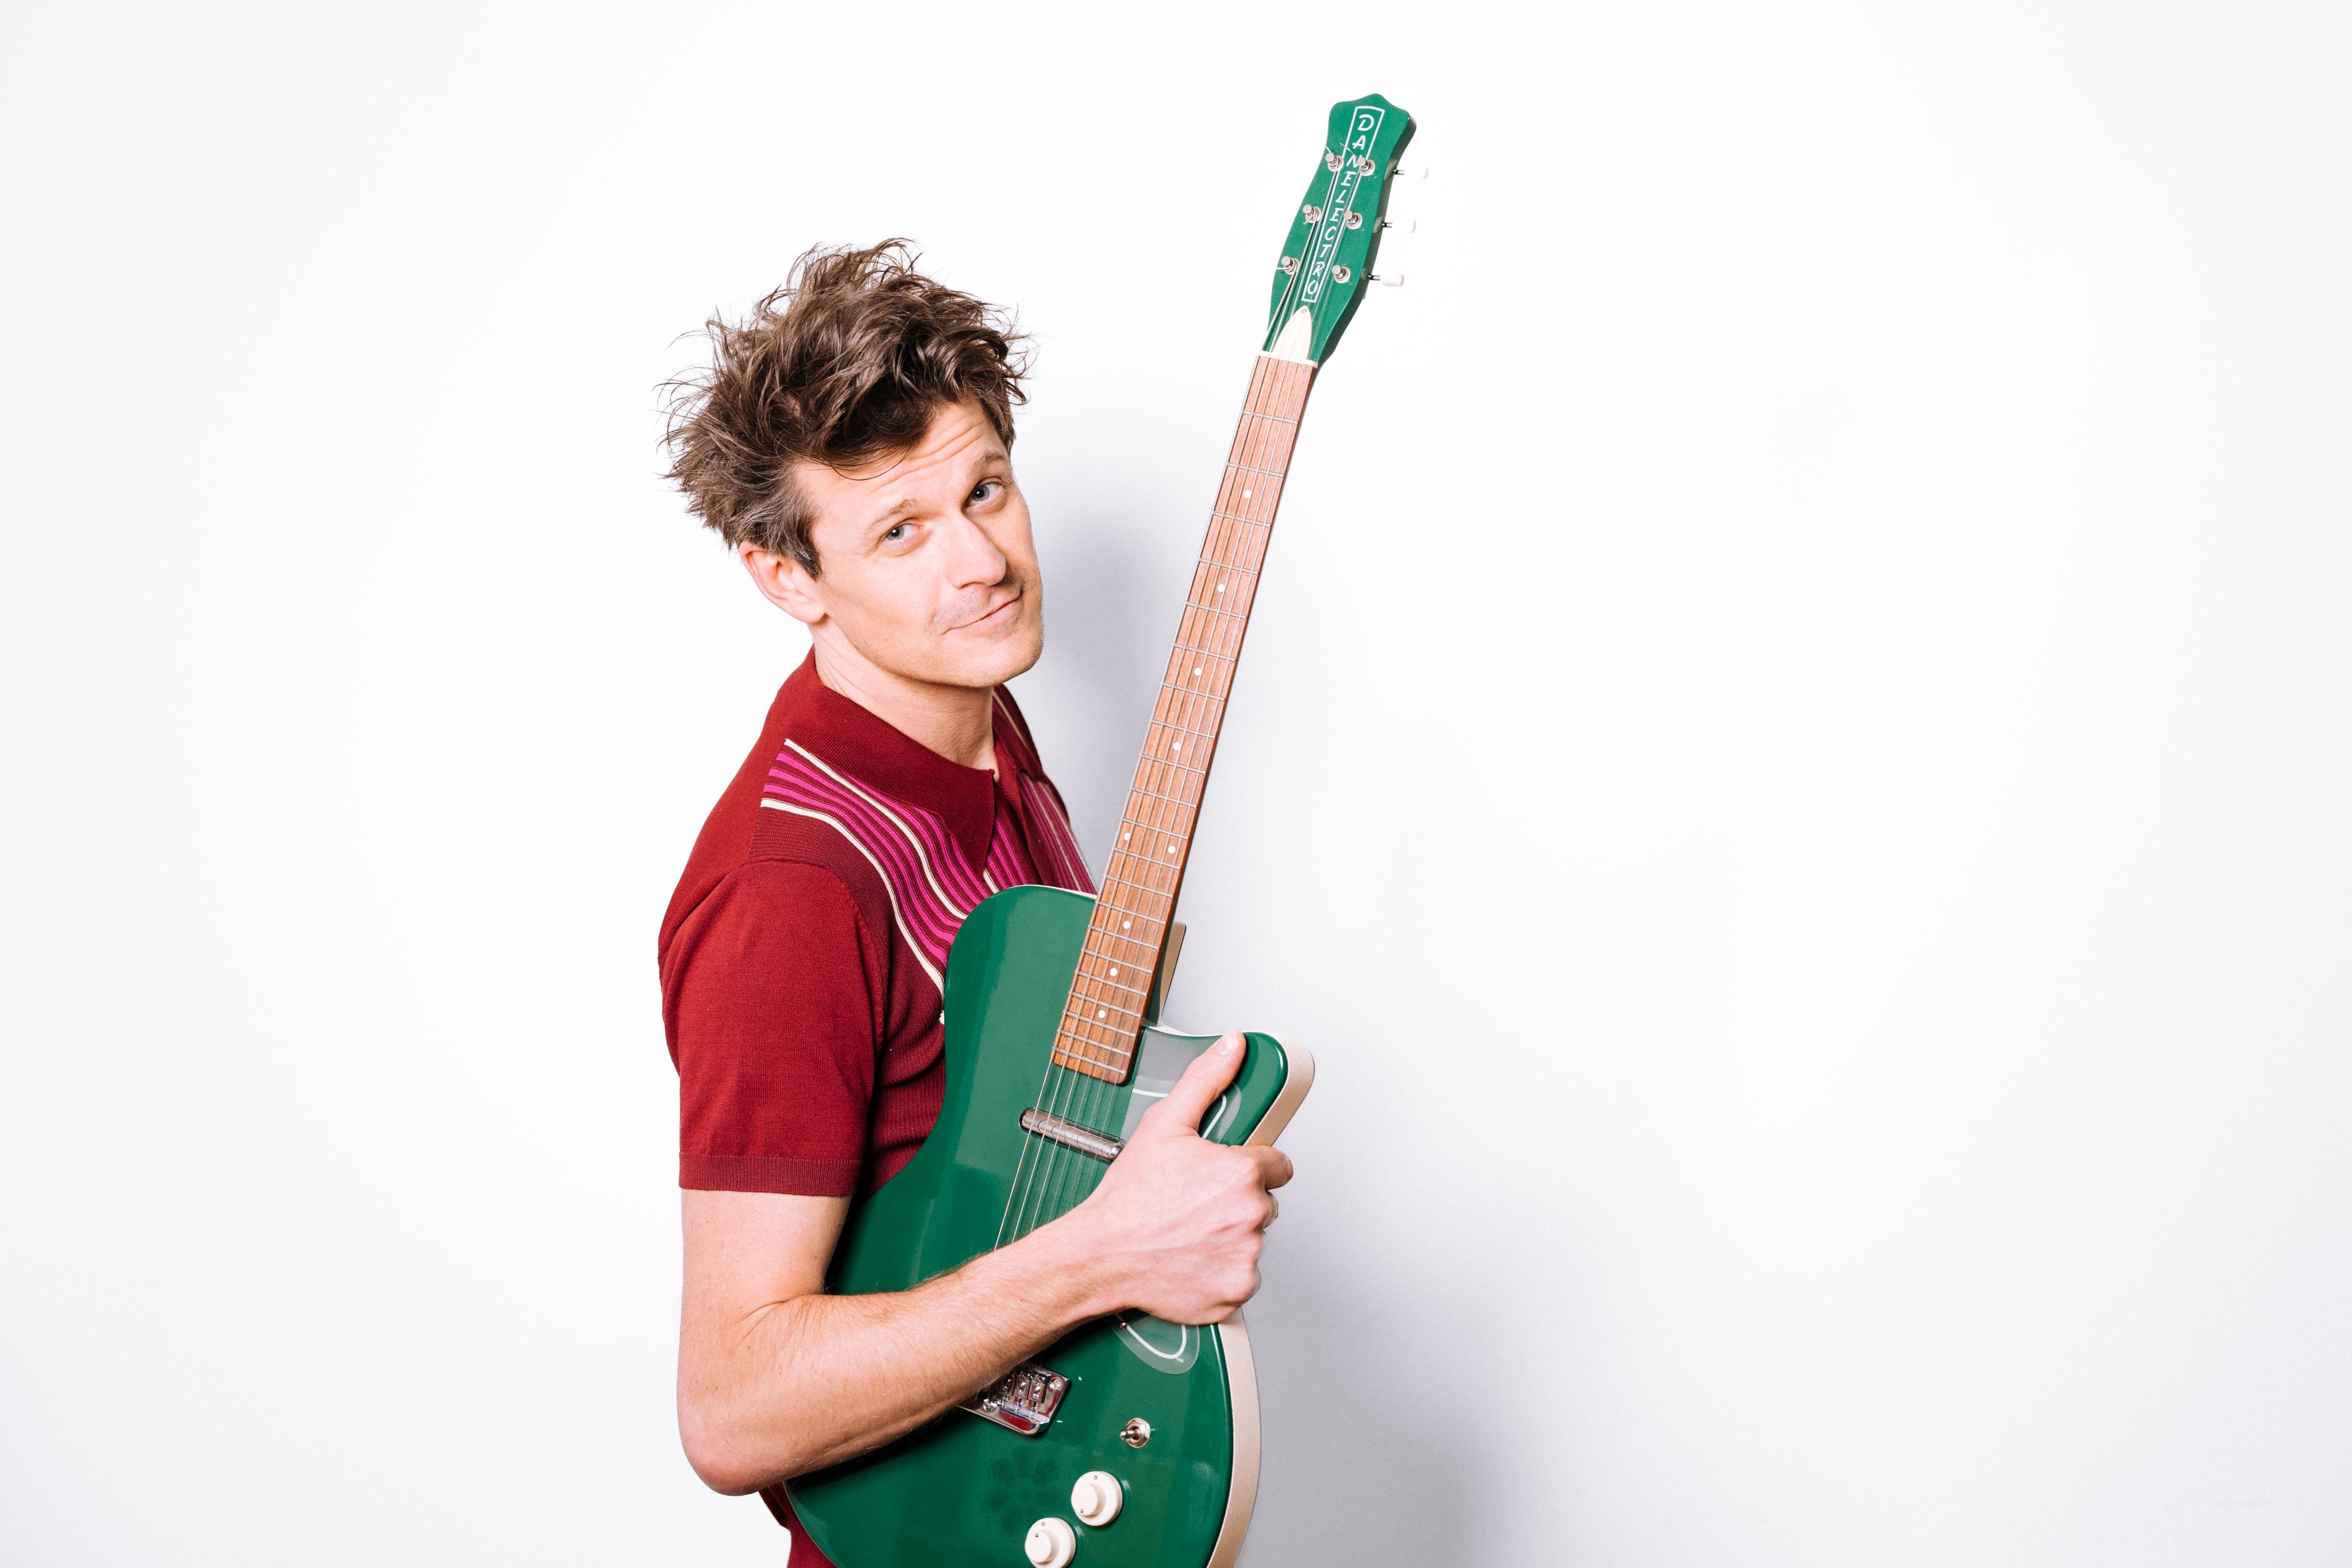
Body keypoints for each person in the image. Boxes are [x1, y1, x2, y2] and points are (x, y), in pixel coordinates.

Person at [656, 242, 1293, 1563]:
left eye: (984, 490)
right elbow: (729, 1409)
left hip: (1051, 1491)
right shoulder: (790, 899)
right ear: (786, 576)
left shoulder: (978, 718)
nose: (981, 562)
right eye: (899, 531)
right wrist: (1112, 1253)